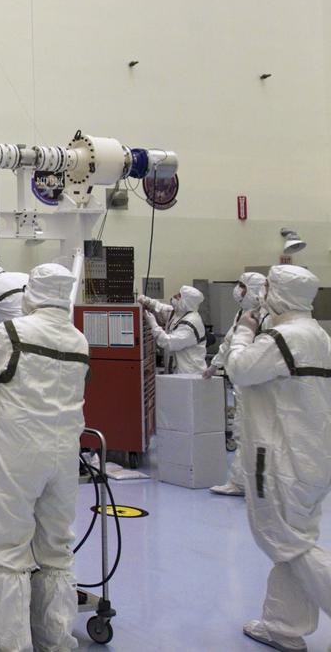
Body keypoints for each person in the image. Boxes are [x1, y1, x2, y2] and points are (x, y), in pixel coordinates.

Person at [0, 263, 90, 652]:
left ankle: (9, 645)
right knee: (56, 549)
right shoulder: (79, 340)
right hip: (64, 456)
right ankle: (56, 639)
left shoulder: (13, 333)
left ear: (33, 292)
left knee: (10, 550)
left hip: (18, 455)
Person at [225, 265, 331, 652]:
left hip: (279, 460)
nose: (262, 291)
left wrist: (243, 332)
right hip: (312, 457)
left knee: (286, 542)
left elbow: (240, 369)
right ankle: (284, 625)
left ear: (282, 292)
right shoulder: (319, 335)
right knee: (294, 540)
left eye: (268, 285)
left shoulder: (283, 337)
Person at [208, 272, 267, 496]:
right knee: (243, 432)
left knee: (249, 433)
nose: (237, 290)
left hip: (256, 383)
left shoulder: (264, 316)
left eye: (241, 286)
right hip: (243, 383)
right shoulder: (243, 313)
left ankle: (248, 484)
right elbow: (231, 342)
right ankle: (242, 482)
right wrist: (214, 365)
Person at [139, 285, 208, 374]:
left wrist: (153, 324)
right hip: (177, 371)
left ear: (186, 302)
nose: (174, 296)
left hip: (188, 374)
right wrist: (148, 302)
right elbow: (162, 308)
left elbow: (168, 343)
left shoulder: (190, 324)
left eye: (179, 295)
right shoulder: (180, 313)